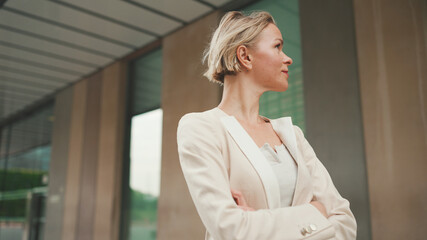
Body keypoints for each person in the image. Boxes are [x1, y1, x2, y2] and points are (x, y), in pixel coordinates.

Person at [177, 10, 357, 240]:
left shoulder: (293, 135)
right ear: (245, 56)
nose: (288, 58)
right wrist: (316, 212)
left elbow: (345, 221)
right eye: (278, 47)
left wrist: (258, 224)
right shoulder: (200, 128)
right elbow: (231, 228)